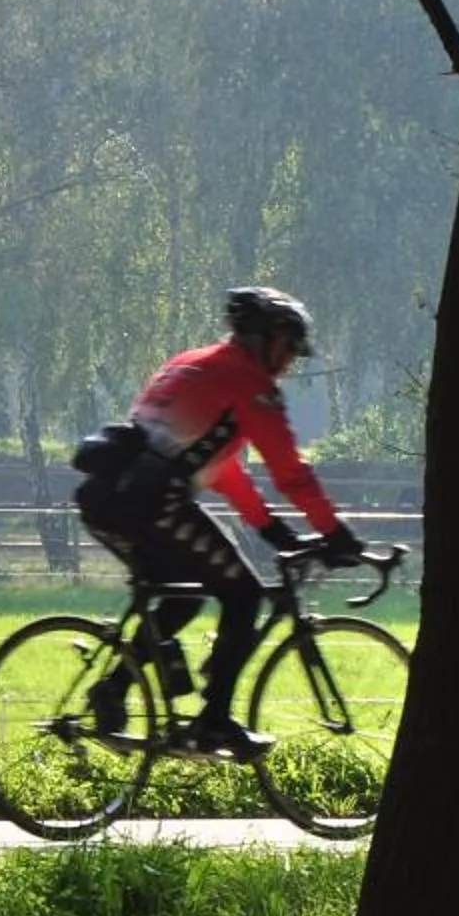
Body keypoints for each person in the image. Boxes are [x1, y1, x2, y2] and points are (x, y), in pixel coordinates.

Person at [73, 285, 368, 759]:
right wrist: (336, 534)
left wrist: (272, 531)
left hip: (109, 497)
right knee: (243, 592)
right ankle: (213, 723)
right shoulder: (249, 382)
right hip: (154, 502)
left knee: (181, 599)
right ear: (263, 338)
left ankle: (111, 690)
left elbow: (222, 470)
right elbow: (290, 472)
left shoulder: (193, 362)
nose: (290, 362)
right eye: (288, 348)